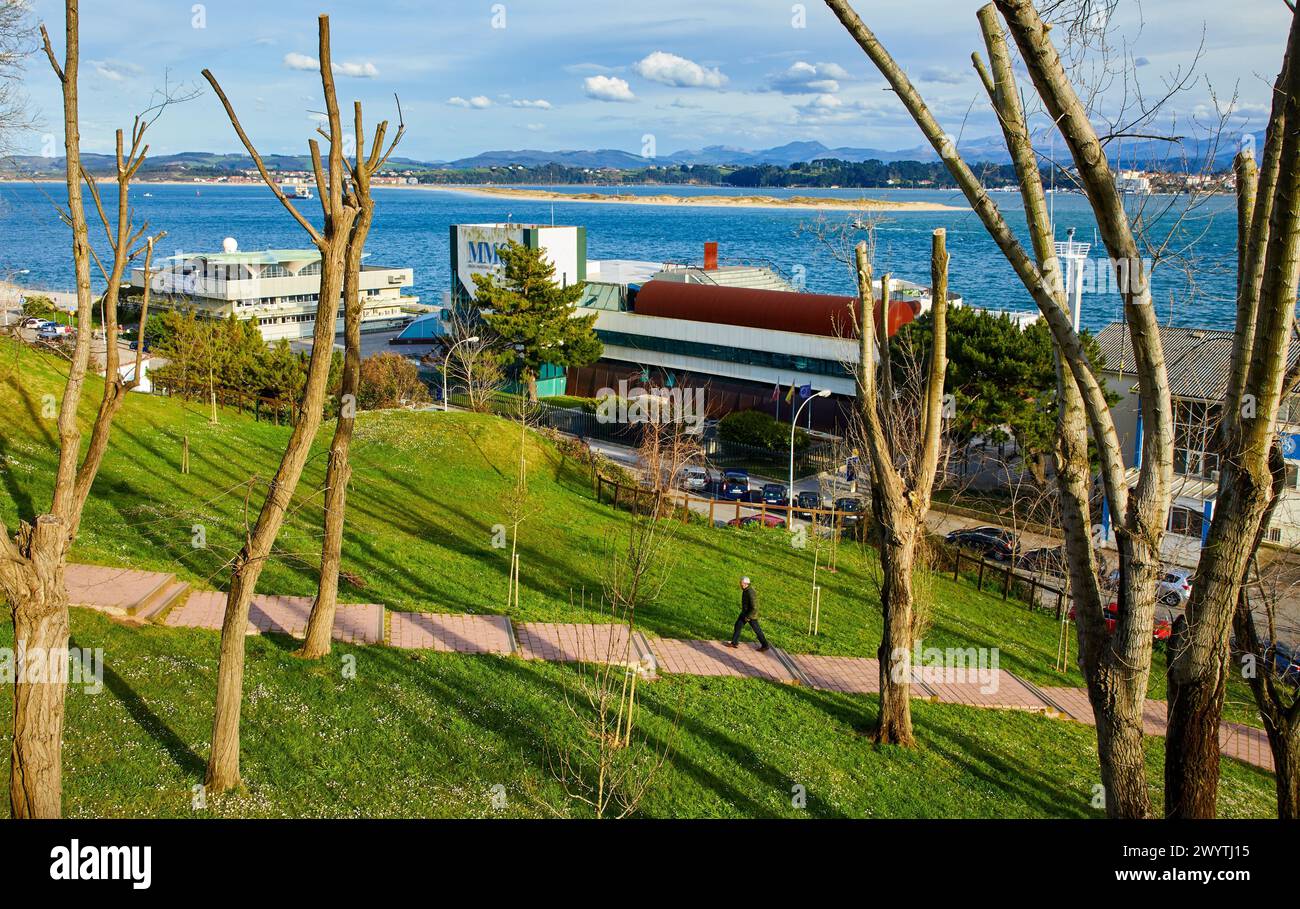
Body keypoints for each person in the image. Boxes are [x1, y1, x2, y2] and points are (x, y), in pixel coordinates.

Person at [724, 576, 770, 652]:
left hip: (751, 615)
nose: (740, 584)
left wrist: (748, 617)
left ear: (746, 584)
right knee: (738, 625)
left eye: (741, 583)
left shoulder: (750, 592)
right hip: (745, 613)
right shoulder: (746, 590)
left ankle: (765, 645)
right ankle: (734, 643)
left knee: (757, 630)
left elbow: (754, 607)